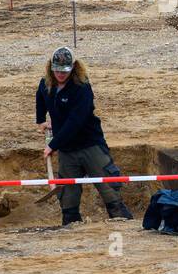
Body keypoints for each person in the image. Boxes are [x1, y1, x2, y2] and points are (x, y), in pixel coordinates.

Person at [35, 46, 133, 225]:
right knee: (68, 201)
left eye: (65, 71)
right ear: (51, 67)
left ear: (74, 67)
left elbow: (75, 122)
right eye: (57, 70)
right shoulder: (46, 83)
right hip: (67, 151)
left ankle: (125, 230)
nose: (61, 74)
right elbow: (41, 96)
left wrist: (52, 145)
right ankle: (72, 237)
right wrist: (40, 119)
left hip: (90, 146)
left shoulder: (82, 88)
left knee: (111, 193)